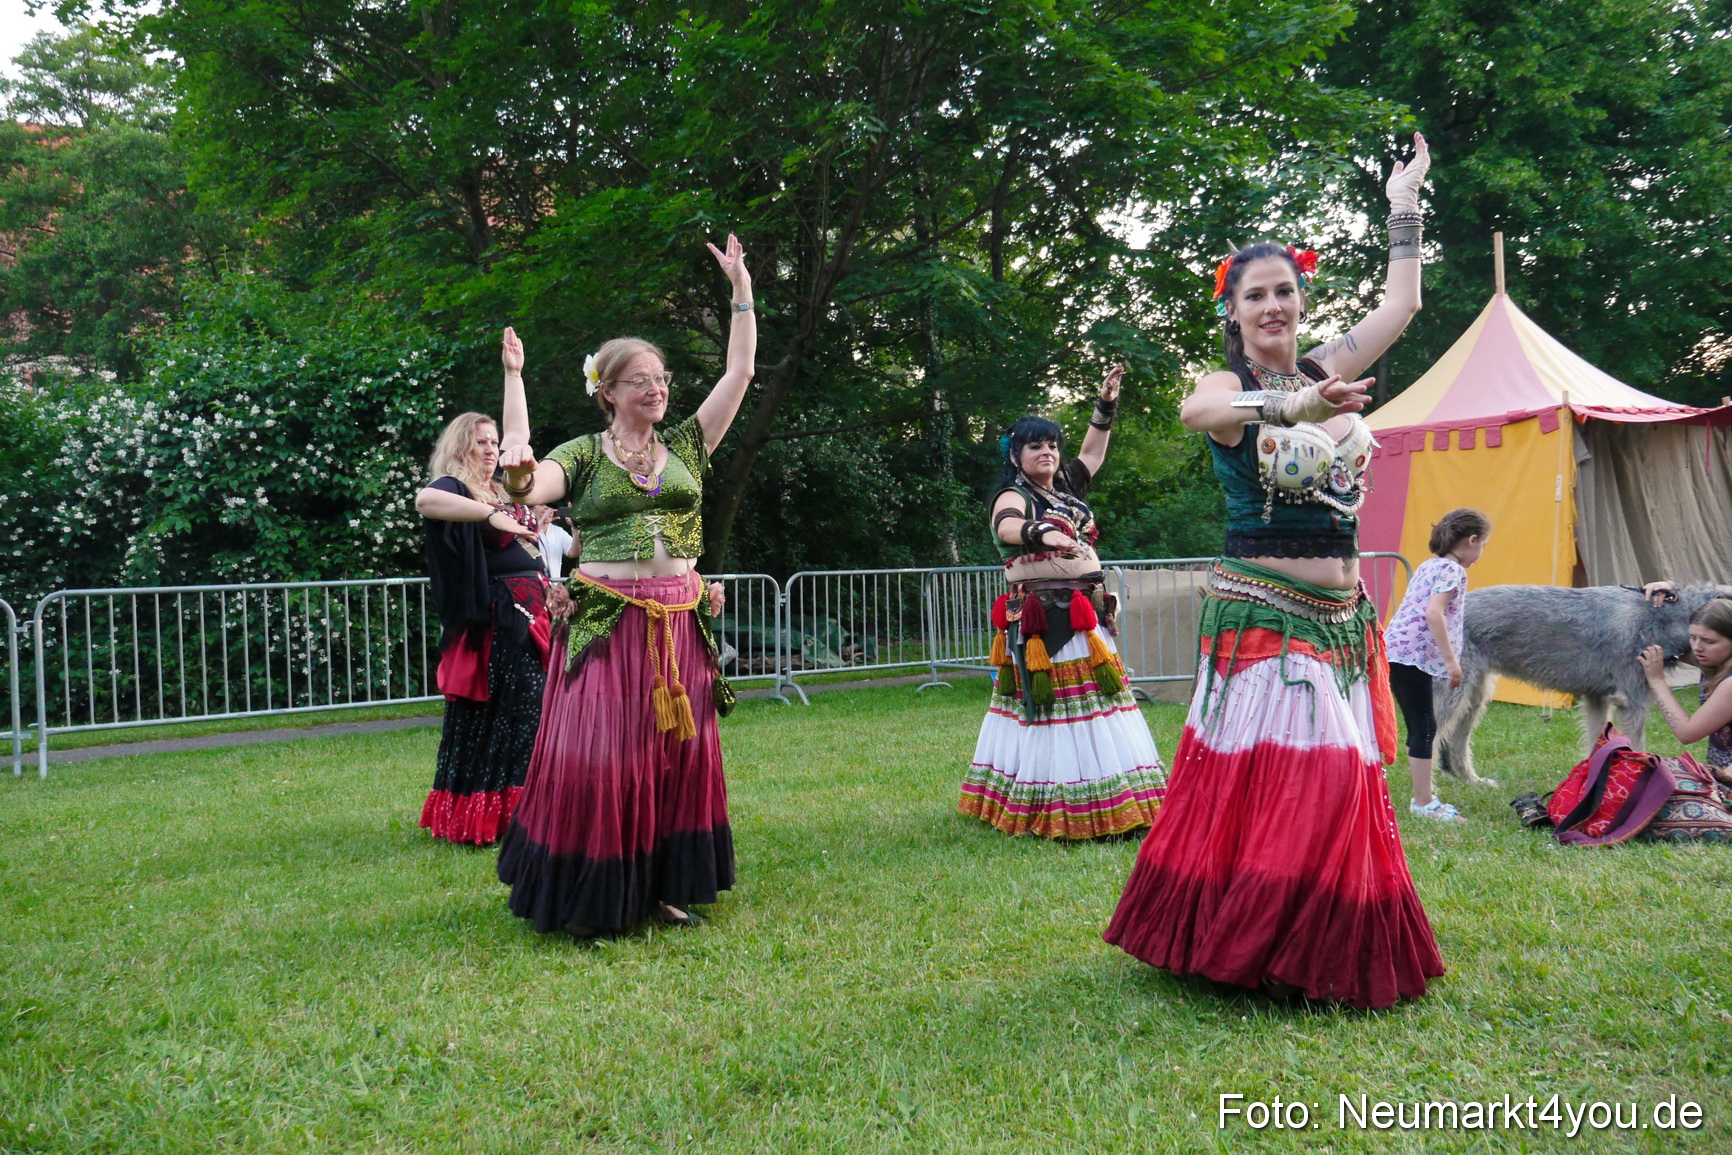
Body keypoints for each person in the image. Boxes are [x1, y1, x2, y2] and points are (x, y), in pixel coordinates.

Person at [1105, 134, 1446, 1008]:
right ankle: (1263, 945)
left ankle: (1297, 947)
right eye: (1255, 294)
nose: (1272, 305)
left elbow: (1402, 303)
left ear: (1301, 299)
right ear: (1234, 310)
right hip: (1263, 614)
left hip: (1339, 621)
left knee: (1320, 779)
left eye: (1284, 291)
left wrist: (1403, 202)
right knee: (1311, 775)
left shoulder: (1329, 367)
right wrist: (1294, 403)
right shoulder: (1227, 385)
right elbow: (1198, 411)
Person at [492, 234, 755, 937]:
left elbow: (741, 371)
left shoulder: (688, 444)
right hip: (608, 622)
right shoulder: (583, 454)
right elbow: (527, 484)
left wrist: (741, 292)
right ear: (607, 391)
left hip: (679, 621)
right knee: (607, 757)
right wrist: (515, 399)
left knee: (675, 756)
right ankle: (598, 894)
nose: (657, 388)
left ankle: (666, 889)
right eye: (641, 379)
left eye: (661, 377)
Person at [959, 366, 1167, 839]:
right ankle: (1061, 803)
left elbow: (1092, 452)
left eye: (1052, 444)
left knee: (1100, 705)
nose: (1047, 452)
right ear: (1015, 455)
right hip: (1048, 620)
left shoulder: (1066, 489)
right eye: (1035, 445)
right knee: (1060, 708)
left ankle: (1113, 799)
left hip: (1084, 614)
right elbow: (1006, 525)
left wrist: (1106, 403)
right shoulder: (1014, 495)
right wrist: (1042, 532)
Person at [414, 413, 552, 845]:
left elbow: (519, 437)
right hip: (502, 620)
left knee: (535, 711)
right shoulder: (456, 489)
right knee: (513, 712)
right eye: (481, 442)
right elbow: (424, 501)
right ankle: (499, 815)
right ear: (461, 448)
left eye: (494, 442)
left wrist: (513, 379)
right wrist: (492, 516)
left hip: (535, 613)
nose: (492, 449)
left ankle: (528, 812)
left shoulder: (501, 488)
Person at [1382, 508, 1491, 822]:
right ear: (1471, 540)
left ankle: (1422, 797)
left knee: (1420, 724)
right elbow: (1433, 613)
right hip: (1410, 656)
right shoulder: (1453, 571)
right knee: (1424, 727)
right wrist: (1451, 661)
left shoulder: (1430, 564)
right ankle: (1424, 802)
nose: (1481, 553)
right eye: (1484, 545)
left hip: (1396, 651)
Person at [1638, 598, 1732, 772]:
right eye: (1692, 637)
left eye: (1709, 641)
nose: (1697, 647)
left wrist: (1657, 680)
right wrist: (1666, 589)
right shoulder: (1716, 660)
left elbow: (1687, 733)